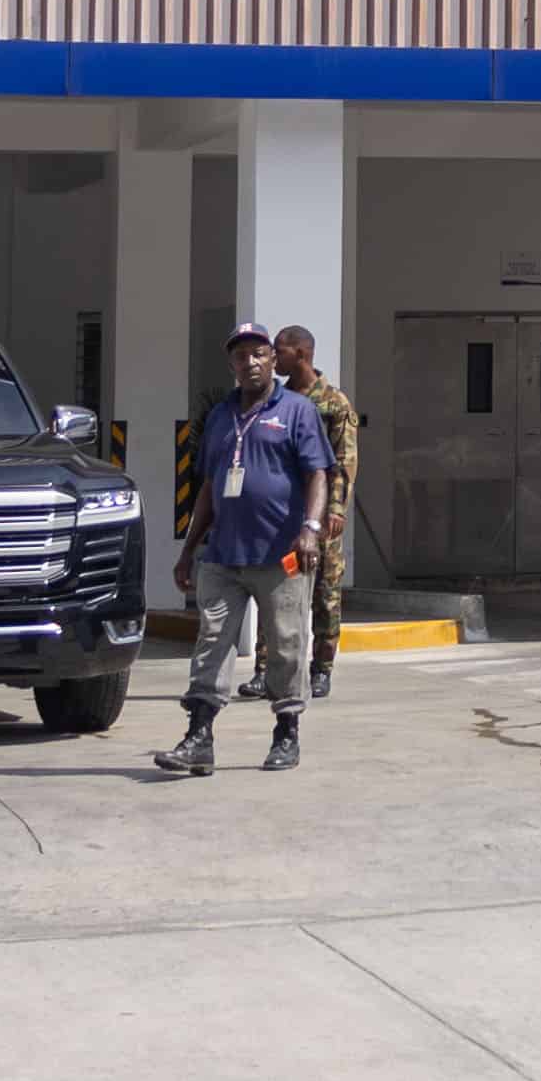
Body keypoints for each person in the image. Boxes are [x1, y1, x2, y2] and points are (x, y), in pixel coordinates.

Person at [154, 324, 329, 775]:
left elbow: (317, 474)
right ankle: (199, 738)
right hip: (223, 555)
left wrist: (310, 529)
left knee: (287, 644)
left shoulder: (297, 411)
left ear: (272, 360)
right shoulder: (220, 417)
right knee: (211, 642)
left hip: (281, 556)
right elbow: (210, 486)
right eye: (240, 356)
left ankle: (286, 732)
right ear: (231, 364)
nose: (249, 363)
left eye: (258, 354)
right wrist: (189, 549)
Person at [276, 321, 360, 698]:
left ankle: (322, 668)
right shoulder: (277, 400)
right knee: (280, 592)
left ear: (301, 353)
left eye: (279, 350)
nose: (273, 357)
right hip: (284, 517)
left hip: (322, 518)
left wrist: (336, 509)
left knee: (325, 595)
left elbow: (344, 461)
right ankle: (267, 668)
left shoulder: (333, 403)